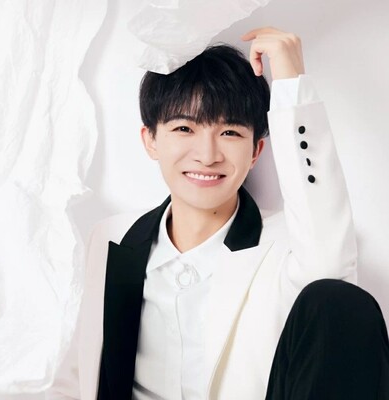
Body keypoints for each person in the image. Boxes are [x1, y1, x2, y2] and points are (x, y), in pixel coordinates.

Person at [46, 27, 389, 400]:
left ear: (256, 151)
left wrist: (292, 85)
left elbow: (334, 286)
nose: (207, 155)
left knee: (340, 301)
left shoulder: (288, 246)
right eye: (184, 128)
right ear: (150, 140)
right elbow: (78, 377)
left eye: (229, 133)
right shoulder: (111, 237)